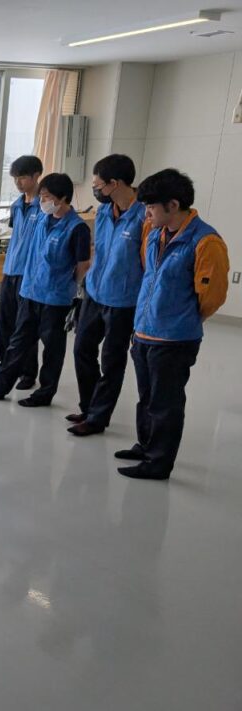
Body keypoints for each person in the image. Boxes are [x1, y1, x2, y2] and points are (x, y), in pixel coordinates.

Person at [116, 168, 229, 480]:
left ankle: (158, 462)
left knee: (166, 403)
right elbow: (148, 275)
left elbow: (212, 296)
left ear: (173, 205)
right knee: (147, 398)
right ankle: (145, 445)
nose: (147, 213)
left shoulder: (206, 242)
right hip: (144, 332)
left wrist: (183, 318)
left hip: (175, 339)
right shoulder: (154, 233)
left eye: (151, 207)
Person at [0, 173, 90, 407]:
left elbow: (83, 265)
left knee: (52, 350)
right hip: (30, 292)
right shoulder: (42, 219)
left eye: (47, 197)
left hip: (55, 298)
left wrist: (68, 285)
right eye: (42, 196)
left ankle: (44, 393)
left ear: (63, 198)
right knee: (17, 343)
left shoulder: (77, 228)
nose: (42, 201)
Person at [68, 154, 149, 437]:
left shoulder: (145, 217)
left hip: (123, 300)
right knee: (81, 349)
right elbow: (99, 251)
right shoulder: (103, 212)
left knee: (112, 361)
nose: (95, 190)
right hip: (95, 292)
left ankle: (98, 417)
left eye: (98, 185)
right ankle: (88, 406)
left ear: (115, 183)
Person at [0, 155, 43, 390]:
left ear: (36, 176)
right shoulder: (17, 205)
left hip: (29, 273)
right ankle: (5, 365)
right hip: (10, 270)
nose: (18, 182)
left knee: (25, 326)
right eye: (15, 178)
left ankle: (27, 372)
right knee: (4, 322)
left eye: (23, 178)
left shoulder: (44, 206)